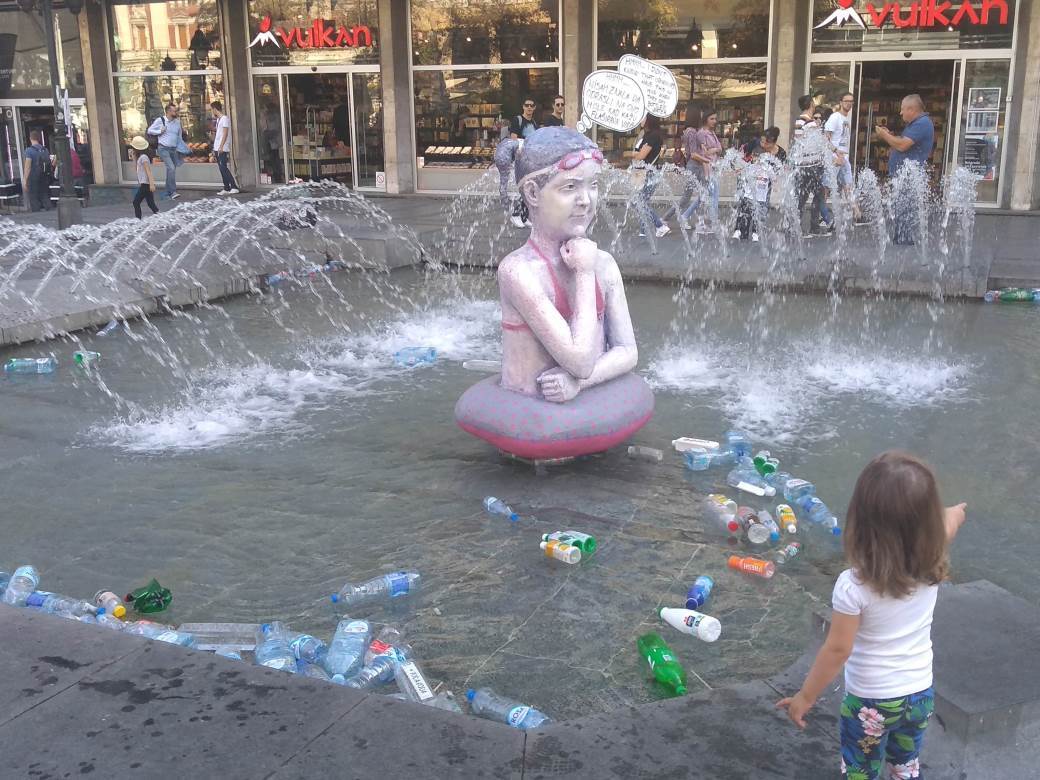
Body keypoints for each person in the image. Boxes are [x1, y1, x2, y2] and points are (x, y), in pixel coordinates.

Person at [776, 451, 967, 780]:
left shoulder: (854, 587)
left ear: (861, 521)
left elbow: (838, 649)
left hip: (871, 703)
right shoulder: (932, 559)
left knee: (861, 769)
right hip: (919, 694)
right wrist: (957, 511)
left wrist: (805, 697)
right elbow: (948, 524)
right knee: (905, 764)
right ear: (928, 522)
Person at [497, 126, 638, 404]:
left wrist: (580, 385)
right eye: (570, 187)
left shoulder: (605, 265)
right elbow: (580, 361)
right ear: (533, 193)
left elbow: (627, 350)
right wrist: (584, 273)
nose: (586, 200)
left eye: (593, 185)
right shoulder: (518, 271)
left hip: (589, 413)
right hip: (529, 424)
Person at [876, 94, 935, 245]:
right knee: (901, 207)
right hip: (905, 174)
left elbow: (902, 145)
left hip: (908, 175)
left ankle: (903, 243)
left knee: (904, 208)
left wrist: (884, 135)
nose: (900, 113)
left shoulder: (921, 123)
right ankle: (901, 239)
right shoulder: (917, 123)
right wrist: (891, 136)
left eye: (903, 109)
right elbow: (903, 143)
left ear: (912, 109)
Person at [734, 127, 786, 242]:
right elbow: (743, 154)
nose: (762, 144)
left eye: (765, 142)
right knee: (745, 203)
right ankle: (740, 230)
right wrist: (741, 167)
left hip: (764, 183)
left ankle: (757, 231)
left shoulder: (781, 153)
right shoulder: (755, 144)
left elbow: (779, 172)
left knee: (762, 205)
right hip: (748, 177)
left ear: (772, 142)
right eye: (761, 141)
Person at [676, 105, 721, 233]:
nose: (714, 121)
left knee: (704, 195)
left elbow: (719, 149)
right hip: (706, 167)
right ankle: (712, 223)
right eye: (712, 118)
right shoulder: (700, 133)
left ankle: (685, 217)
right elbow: (704, 153)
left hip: (711, 166)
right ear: (705, 119)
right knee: (710, 195)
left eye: (715, 119)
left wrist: (716, 150)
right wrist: (715, 150)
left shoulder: (711, 133)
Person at [793, 94, 831, 237]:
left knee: (810, 195)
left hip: (807, 164)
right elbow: (816, 142)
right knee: (813, 195)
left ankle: (804, 227)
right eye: (813, 102)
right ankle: (808, 228)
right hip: (811, 164)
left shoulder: (801, 120)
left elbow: (798, 141)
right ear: (810, 104)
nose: (815, 104)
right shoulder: (807, 122)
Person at [632, 114, 669, 238]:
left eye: (643, 117)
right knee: (642, 201)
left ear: (649, 120)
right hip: (642, 172)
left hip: (649, 173)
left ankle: (660, 226)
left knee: (639, 201)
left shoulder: (653, 136)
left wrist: (628, 154)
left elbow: (641, 156)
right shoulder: (645, 134)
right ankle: (644, 230)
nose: (640, 120)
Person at [146, 103, 185, 200]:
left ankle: (168, 192)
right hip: (163, 148)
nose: (176, 112)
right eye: (174, 110)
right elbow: (149, 130)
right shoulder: (161, 120)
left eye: (176, 110)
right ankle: (172, 191)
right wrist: (159, 131)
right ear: (168, 111)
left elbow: (179, 136)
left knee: (171, 169)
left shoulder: (177, 122)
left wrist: (181, 147)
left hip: (173, 149)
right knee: (171, 168)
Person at [826, 92, 856, 214]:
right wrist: (835, 152)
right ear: (840, 102)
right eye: (846, 101)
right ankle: (821, 215)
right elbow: (825, 138)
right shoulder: (835, 117)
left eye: (851, 101)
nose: (849, 103)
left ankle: (857, 214)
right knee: (826, 188)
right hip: (834, 159)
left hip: (844, 158)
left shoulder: (846, 119)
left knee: (848, 186)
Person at [210, 101, 239, 195]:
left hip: (222, 147)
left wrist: (221, 146)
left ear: (215, 109)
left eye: (212, 109)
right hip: (217, 146)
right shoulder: (218, 120)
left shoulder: (225, 119)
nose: (212, 112)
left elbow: (225, 133)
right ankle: (226, 187)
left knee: (223, 167)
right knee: (221, 167)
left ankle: (233, 186)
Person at [21, 129, 52, 212]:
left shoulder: (29, 151)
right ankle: (49, 211)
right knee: (44, 194)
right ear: (39, 139)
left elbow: (28, 166)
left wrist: (25, 179)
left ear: (30, 138)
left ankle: (37, 214)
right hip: (44, 175)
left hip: (33, 176)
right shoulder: (45, 150)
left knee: (33, 196)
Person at [130, 135, 158, 219]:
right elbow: (136, 169)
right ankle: (160, 216)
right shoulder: (140, 157)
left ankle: (138, 220)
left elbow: (148, 171)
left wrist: (152, 184)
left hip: (146, 184)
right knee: (151, 204)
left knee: (136, 202)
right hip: (145, 183)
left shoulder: (144, 157)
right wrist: (134, 157)